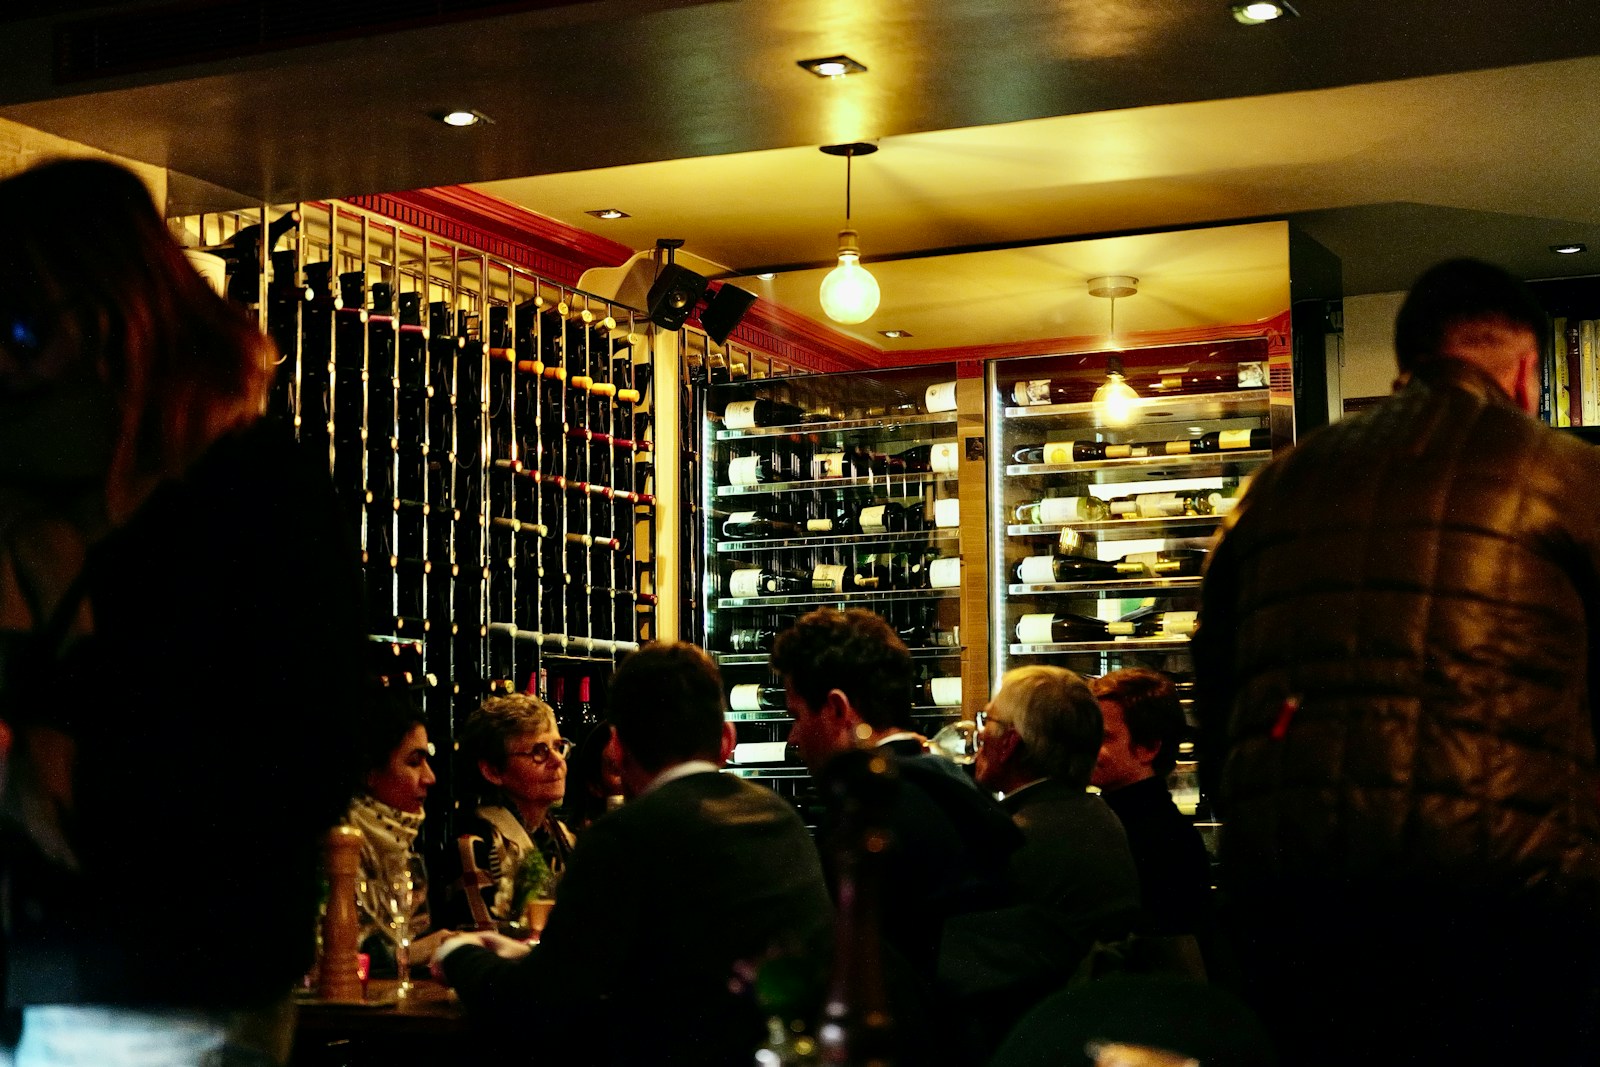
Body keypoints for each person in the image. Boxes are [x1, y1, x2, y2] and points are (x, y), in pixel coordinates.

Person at [0, 158, 368, 1066]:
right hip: (77, 978)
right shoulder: (45, 496)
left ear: (109, 315)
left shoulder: (239, 490)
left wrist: (73, 738)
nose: (2, 363)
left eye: (19, 324)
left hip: (158, 984)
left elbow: (304, 748)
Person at [1194, 257, 1600, 1066]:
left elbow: (1214, 687)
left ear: (1403, 365)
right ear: (1526, 372)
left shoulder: (1275, 488)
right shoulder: (1572, 477)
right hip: (1505, 887)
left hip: (1292, 882)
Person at [432, 642, 832, 1066]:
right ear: (726, 740)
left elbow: (539, 1006)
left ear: (618, 749)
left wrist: (458, 956)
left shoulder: (624, 836)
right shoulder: (780, 819)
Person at [773, 607, 1021, 973]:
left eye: (796, 716)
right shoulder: (953, 788)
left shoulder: (866, 811)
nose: (794, 738)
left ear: (838, 709)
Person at [1089, 668, 1214, 948]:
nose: (1087, 746)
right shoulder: (1159, 826)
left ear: (1148, 748)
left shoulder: (1159, 837)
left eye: (1105, 737)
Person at [445, 691, 577, 929]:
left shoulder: (564, 837)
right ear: (492, 771)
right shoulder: (474, 844)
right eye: (539, 751)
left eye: (559, 747)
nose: (558, 760)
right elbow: (485, 940)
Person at [348, 690, 450, 977]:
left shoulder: (397, 845)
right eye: (414, 762)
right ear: (369, 772)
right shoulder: (336, 845)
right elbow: (330, 961)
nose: (431, 778)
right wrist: (412, 952)